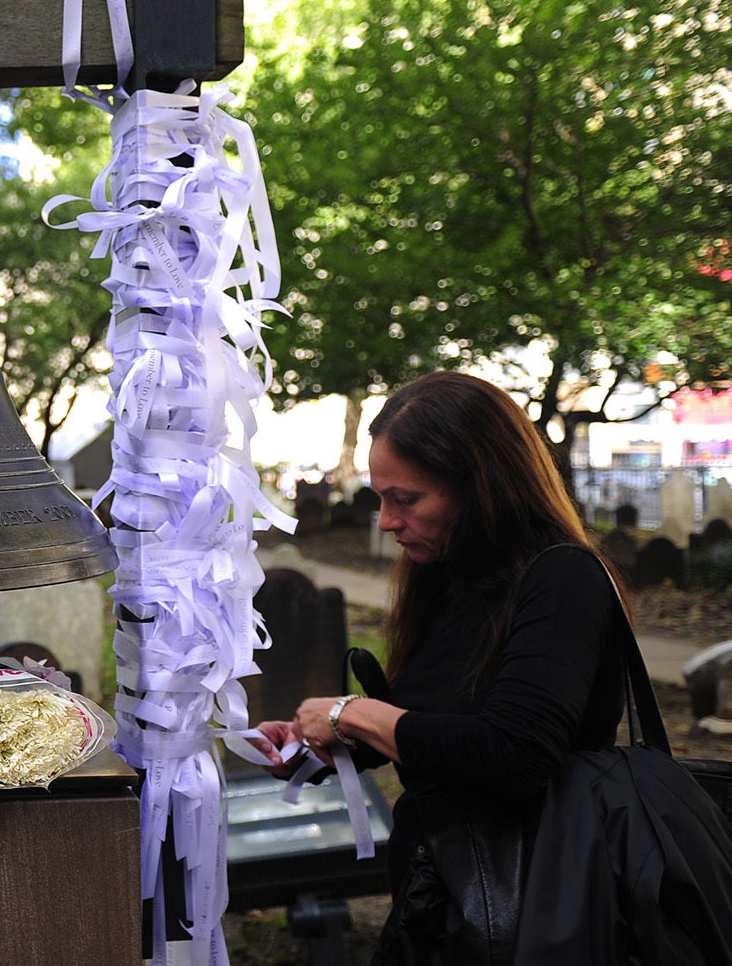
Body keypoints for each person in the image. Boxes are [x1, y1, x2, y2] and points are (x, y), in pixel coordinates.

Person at [252, 370, 632, 962]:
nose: (386, 521)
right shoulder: (449, 578)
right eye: (381, 498)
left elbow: (513, 753)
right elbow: (431, 725)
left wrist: (353, 714)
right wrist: (321, 746)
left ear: (482, 487)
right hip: (445, 893)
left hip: (535, 902)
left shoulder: (562, 581)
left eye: (406, 499)